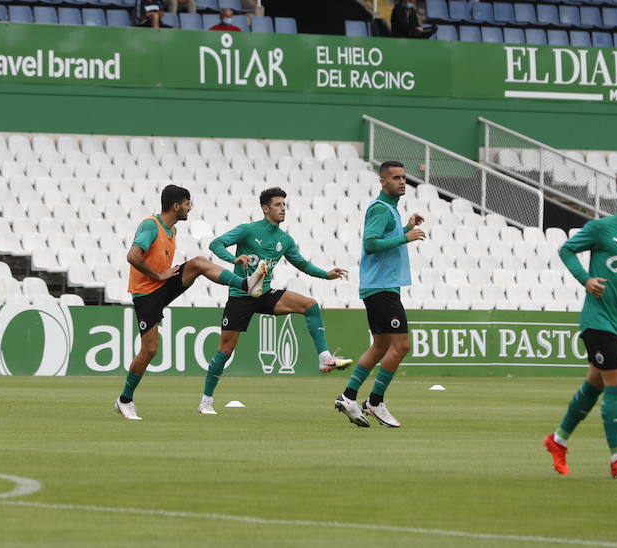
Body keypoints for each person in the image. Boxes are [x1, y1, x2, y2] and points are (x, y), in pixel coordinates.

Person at [544, 169, 617, 480]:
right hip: (598, 320)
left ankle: (557, 441)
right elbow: (566, 249)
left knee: (595, 384)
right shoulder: (601, 228)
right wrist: (586, 279)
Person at [115, 184, 268, 421]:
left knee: (197, 263)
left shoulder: (172, 230)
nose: (190, 208)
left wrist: (163, 276)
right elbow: (132, 256)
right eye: (187, 203)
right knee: (150, 349)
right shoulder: (150, 225)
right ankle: (124, 400)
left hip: (163, 284)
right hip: (146, 293)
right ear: (176, 206)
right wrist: (158, 275)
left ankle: (245, 284)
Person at [199, 187, 352, 415]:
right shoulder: (247, 230)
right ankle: (206, 401)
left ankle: (324, 358)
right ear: (265, 208)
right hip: (241, 295)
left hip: (265, 295)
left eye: (284, 205)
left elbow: (301, 264)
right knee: (226, 349)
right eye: (278, 205)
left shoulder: (284, 239)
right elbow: (215, 244)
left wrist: (326, 274)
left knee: (310, 304)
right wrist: (234, 258)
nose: (283, 209)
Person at [333, 160, 426, 428]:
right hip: (381, 288)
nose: (401, 182)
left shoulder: (390, 211)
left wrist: (405, 229)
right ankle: (375, 401)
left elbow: (384, 238)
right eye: (395, 178)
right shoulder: (381, 209)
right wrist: (404, 238)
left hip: (380, 287)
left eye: (404, 178)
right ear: (383, 181)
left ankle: (349, 397)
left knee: (381, 346)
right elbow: (371, 244)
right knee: (402, 346)